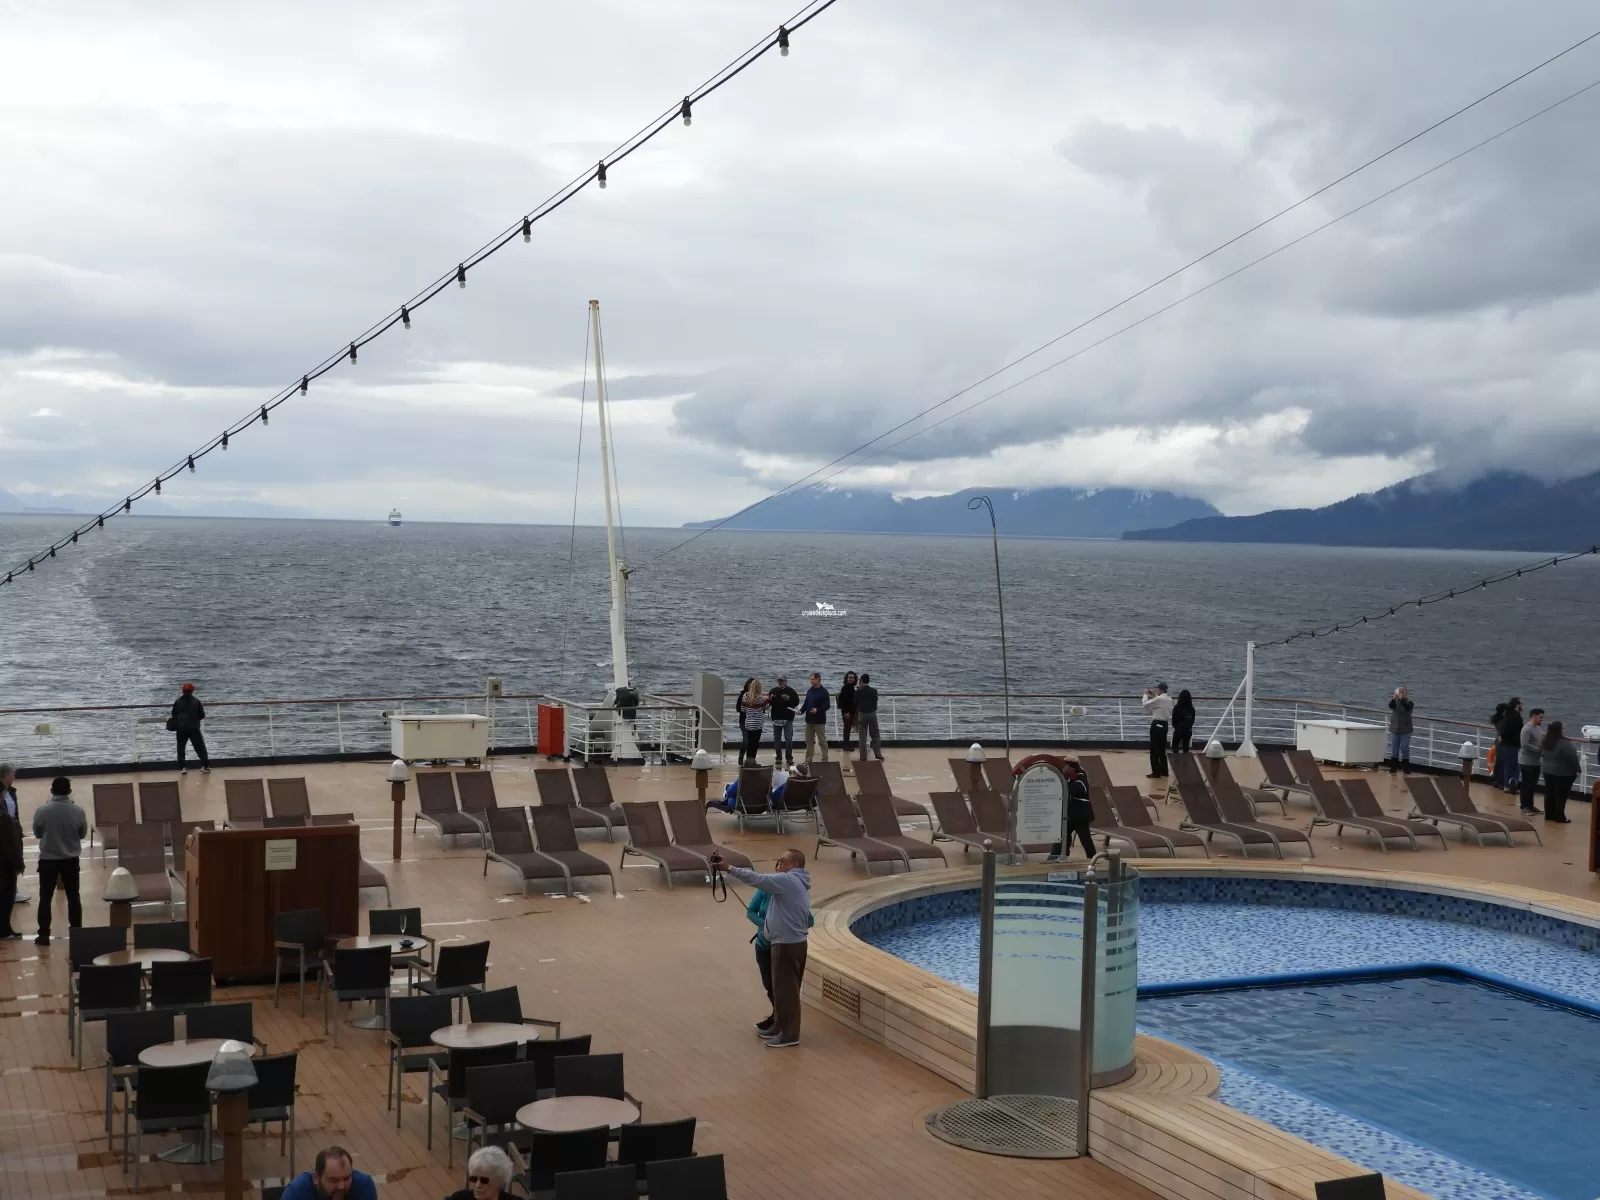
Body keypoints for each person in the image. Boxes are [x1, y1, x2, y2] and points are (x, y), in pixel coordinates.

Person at [716, 848, 811, 1048]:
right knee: (780, 990)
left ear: (794, 864)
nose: (779, 862)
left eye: (783, 860)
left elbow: (757, 879)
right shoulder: (794, 882)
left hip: (786, 945)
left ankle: (790, 1035)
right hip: (788, 942)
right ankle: (779, 1026)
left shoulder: (788, 880)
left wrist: (729, 868)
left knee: (786, 992)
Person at [32, 776, 86, 946]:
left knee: (45, 898)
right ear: (69, 791)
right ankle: (77, 933)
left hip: (48, 860)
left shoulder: (42, 810)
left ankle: (43, 935)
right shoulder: (78, 811)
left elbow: (38, 833)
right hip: (70, 860)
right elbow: (82, 834)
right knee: (73, 897)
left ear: (52, 791)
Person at [281, 1146, 378, 1200]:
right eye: (334, 1180)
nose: (342, 1186)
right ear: (316, 1178)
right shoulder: (297, 1193)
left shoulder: (363, 1186)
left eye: (346, 1178)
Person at [1051, 758, 1095, 860]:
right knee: (1062, 836)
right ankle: (1056, 856)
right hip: (1070, 814)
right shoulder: (1069, 777)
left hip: (1080, 815)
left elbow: (1081, 789)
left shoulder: (1081, 776)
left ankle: (1092, 858)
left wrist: (1068, 785)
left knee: (1085, 839)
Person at [1539, 720, 1579, 824]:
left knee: (1549, 793)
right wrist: (1578, 769)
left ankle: (1549, 815)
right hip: (1563, 773)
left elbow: (1541, 753)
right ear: (1560, 730)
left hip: (1547, 770)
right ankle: (1560, 816)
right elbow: (1572, 757)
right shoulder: (1564, 743)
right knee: (1561, 795)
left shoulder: (1545, 740)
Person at [0, 764, 22, 941]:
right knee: (6, 895)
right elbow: (10, 844)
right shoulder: (3, 818)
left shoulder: (11, 793)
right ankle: (4, 930)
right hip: (5, 860)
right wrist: (18, 863)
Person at [445, 1146, 515, 1200]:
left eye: (484, 1180)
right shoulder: (460, 1197)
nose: (478, 1185)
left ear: (500, 1180)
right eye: (474, 1179)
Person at [170, 682, 210, 774]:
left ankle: (183, 767)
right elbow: (202, 715)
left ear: (183, 691)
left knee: (181, 748)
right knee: (200, 748)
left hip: (181, 728)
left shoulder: (177, 701)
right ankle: (204, 766)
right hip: (194, 728)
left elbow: (174, 714)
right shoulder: (196, 701)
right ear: (192, 691)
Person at [1517, 707, 1546, 815]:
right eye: (1540, 717)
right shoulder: (1527, 729)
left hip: (1536, 762)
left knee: (1533, 785)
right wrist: (1538, 749)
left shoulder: (1538, 728)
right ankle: (1524, 807)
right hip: (1526, 761)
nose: (1542, 719)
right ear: (1534, 716)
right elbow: (1524, 744)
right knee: (1526, 784)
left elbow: (1542, 739)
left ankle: (1530, 805)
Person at [1141, 683, 1173, 778]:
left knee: (1154, 749)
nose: (1156, 691)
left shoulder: (1159, 699)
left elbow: (1146, 705)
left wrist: (1145, 695)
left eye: (1157, 689)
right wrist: (1152, 694)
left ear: (1160, 690)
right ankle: (1164, 771)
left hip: (1157, 725)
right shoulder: (1169, 699)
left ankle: (1156, 772)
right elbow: (1158, 699)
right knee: (1162, 749)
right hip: (1165, 725)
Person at [734, 678, 768, 766]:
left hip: (748, 723)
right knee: (755, 744)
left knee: (748, 743)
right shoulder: (761, 698)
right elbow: (766, 707)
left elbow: (743, 709)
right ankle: (752, 761)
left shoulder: (745, 696)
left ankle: (748, 761)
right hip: (758, 724)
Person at [767, 676, 799, 767]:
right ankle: (778, 758)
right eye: (779, 681)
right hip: (776, 718)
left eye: (782, 681)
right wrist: (769, 700)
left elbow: (796, 702)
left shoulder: (791, 691)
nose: (780, 682)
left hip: (788, 719)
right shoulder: (773, 691)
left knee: (788, 739)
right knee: (777, 739)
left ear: (785, 681)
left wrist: (789, 699)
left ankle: (789, 758)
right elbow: (768, 703)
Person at [801, 672, 831, 764]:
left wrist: (817, 710)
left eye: (812, 679)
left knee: (822, 741)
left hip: (819, 720)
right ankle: (808, 760)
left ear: (818, 679)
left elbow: (827, 705)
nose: (811, 681)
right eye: (810, 679)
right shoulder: (810, 690)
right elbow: (806, 703)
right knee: (809, 741)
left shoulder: (824, 692)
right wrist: (800, 711)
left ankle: (825, 759)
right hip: (809, 720)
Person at [1494, 697, 1523, 792]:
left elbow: (1505, 729)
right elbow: (1509, 729)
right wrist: (1503, 736)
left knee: (1505, 764)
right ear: (1517, 705)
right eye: (1521, 704)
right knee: (1511, 766)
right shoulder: (1515, 716)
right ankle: (1508, 785)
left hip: (1506, 744)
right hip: (1512, 744)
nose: (1522, 706)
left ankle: (1502, 783)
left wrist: (1502, 736)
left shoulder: (1508, 716)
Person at [854, 673, 883, 761]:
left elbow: (855, 703)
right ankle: (878, 754)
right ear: (868, 681)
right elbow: (875, 701)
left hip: (862, 714)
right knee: (875, 735)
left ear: (861, 681)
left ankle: (863, 756)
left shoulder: (858, 691)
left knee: (862, 737)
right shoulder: (874, 691)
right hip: (872, 714)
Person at [1385, 686, 1414, 773]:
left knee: (1405, 748)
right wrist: (1393, 699)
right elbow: (1391, 706)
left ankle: (1406, 767)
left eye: (1402, 692)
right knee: (1395, 748)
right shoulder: (1395, 702)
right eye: (1399, 692)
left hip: (1406, 729)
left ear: (1405, 694)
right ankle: (1394, 767)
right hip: (1395, 728)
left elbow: (1407, 708)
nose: (1400, 694)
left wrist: (1402, 699)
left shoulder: (1409, 702)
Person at [837, 671, 859, 752]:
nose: (850, 679)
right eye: (849, 677)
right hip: (847, 712)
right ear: (846, 678)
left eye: (852, 678)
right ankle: (846, 745)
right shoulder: (845, 688)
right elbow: (842, 701)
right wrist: (845, 712)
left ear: (855, 679)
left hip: (852, 712)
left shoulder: (852, 687)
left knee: (848, 728)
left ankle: (847, 744)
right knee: (847, 728)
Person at [1170, 689, 1195, 754]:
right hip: (1188, 730)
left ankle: (1176, 758)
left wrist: (1177, 727)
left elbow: (1173, 720)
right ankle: (1185, 759)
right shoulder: (1192, 709)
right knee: (1186, 747)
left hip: (1178, 730)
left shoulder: (1177, 708)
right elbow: (1192, 721)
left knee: (1175, 745)